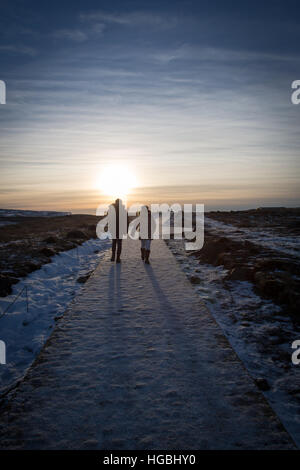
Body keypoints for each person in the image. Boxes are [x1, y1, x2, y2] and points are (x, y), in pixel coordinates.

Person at [111, 198, 126, 263]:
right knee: (119, 244)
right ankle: (118, 258)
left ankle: (113, 256)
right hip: (120, 229)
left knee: (114, 242)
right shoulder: (123, 210)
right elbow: (126, 221)